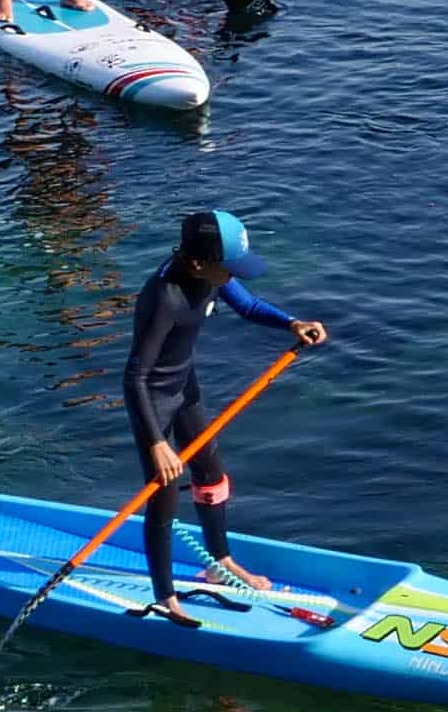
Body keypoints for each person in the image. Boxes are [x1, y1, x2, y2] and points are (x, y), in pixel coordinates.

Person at [122, 208, 326, 615]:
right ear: (199, 263)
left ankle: (220, 563)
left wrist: (291, 324)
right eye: (229, 267)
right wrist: (157, 443)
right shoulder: (165, 297)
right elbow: (135, 377)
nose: (234, 275)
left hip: (186, 388)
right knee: (163, 498)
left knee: (211, 476)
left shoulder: (213, 275)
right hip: (154, 400)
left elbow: (249, 307)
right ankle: (166, 598)